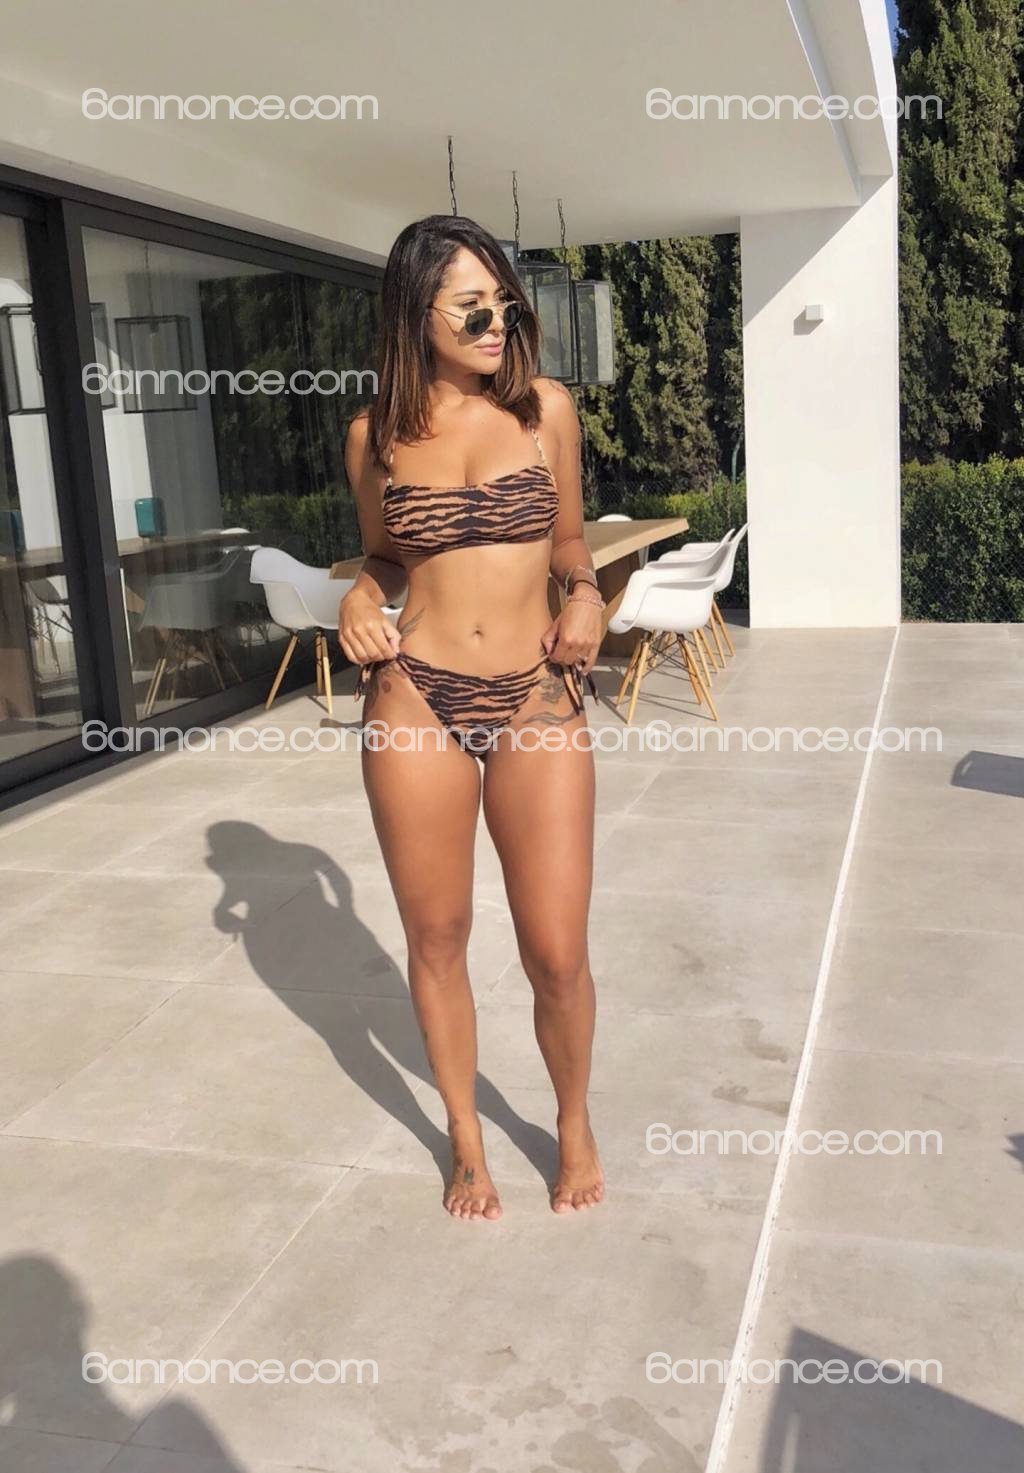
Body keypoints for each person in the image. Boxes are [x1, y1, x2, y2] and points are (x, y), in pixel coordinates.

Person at [339, 215, 605, 1220]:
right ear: (417, 314)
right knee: (438, 935)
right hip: (416, 695)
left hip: (534, 693)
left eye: (505, 304)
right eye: (472, 307)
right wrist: (360, 595)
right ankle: (464, 1139)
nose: (498, 323)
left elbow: (569, 540)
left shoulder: (544, 411)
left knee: (557, 952)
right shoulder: (374, 435)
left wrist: (587, 596)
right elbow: (383, 556)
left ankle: (571, 1119)